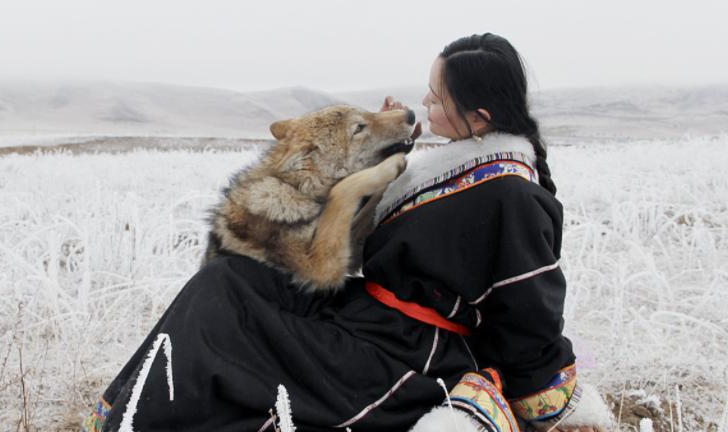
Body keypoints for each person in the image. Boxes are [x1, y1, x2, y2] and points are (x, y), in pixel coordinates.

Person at [82, 33, 612, 432]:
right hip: (364, 316)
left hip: (407, 355)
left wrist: (547, 396)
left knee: (240, 346)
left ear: (478, 117)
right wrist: (384, 142)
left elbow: (528, 310)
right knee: (224, 282)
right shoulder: (451, 167)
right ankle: (120, 412)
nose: (423, 104)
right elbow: (360, 241)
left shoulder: (514, 196)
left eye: (435, 97)